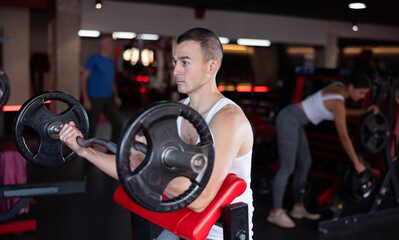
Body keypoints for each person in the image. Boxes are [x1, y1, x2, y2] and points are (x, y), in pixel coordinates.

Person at [60, 28, 255, 240]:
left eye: (185, 63)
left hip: (218, 234)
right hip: (179, 223)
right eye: (175, 63)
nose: (176, 71)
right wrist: (85, 151)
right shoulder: (176, 112)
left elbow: (201, 199)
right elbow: (129, 164)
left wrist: (140, 163)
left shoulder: (228, 119)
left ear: (212, 66)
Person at [267, 71, 379, 228]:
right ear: (351, 87)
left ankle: (298, 208)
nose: (361, 97)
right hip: (289, 119)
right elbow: (344, 137)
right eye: (360, 93)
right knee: (287, 167)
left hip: (295, 120)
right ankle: (276, 212)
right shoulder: (338, 102)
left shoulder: (338, 87)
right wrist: (357, 163)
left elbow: (342, 112)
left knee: (305, 162)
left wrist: (363, 112)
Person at [80, 34, 123, 144]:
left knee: (118, 123)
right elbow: (83, 78)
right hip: (94, 98)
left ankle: (113, 151)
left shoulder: (110, 62)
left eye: (112, 44)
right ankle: (87, 153)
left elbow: (111, 81)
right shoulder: (94, 59)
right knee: (91, 128)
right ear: (102, 45)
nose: (111, 46)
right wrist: (85, 99)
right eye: (109, 44)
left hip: (108, 98)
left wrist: (116, 96)